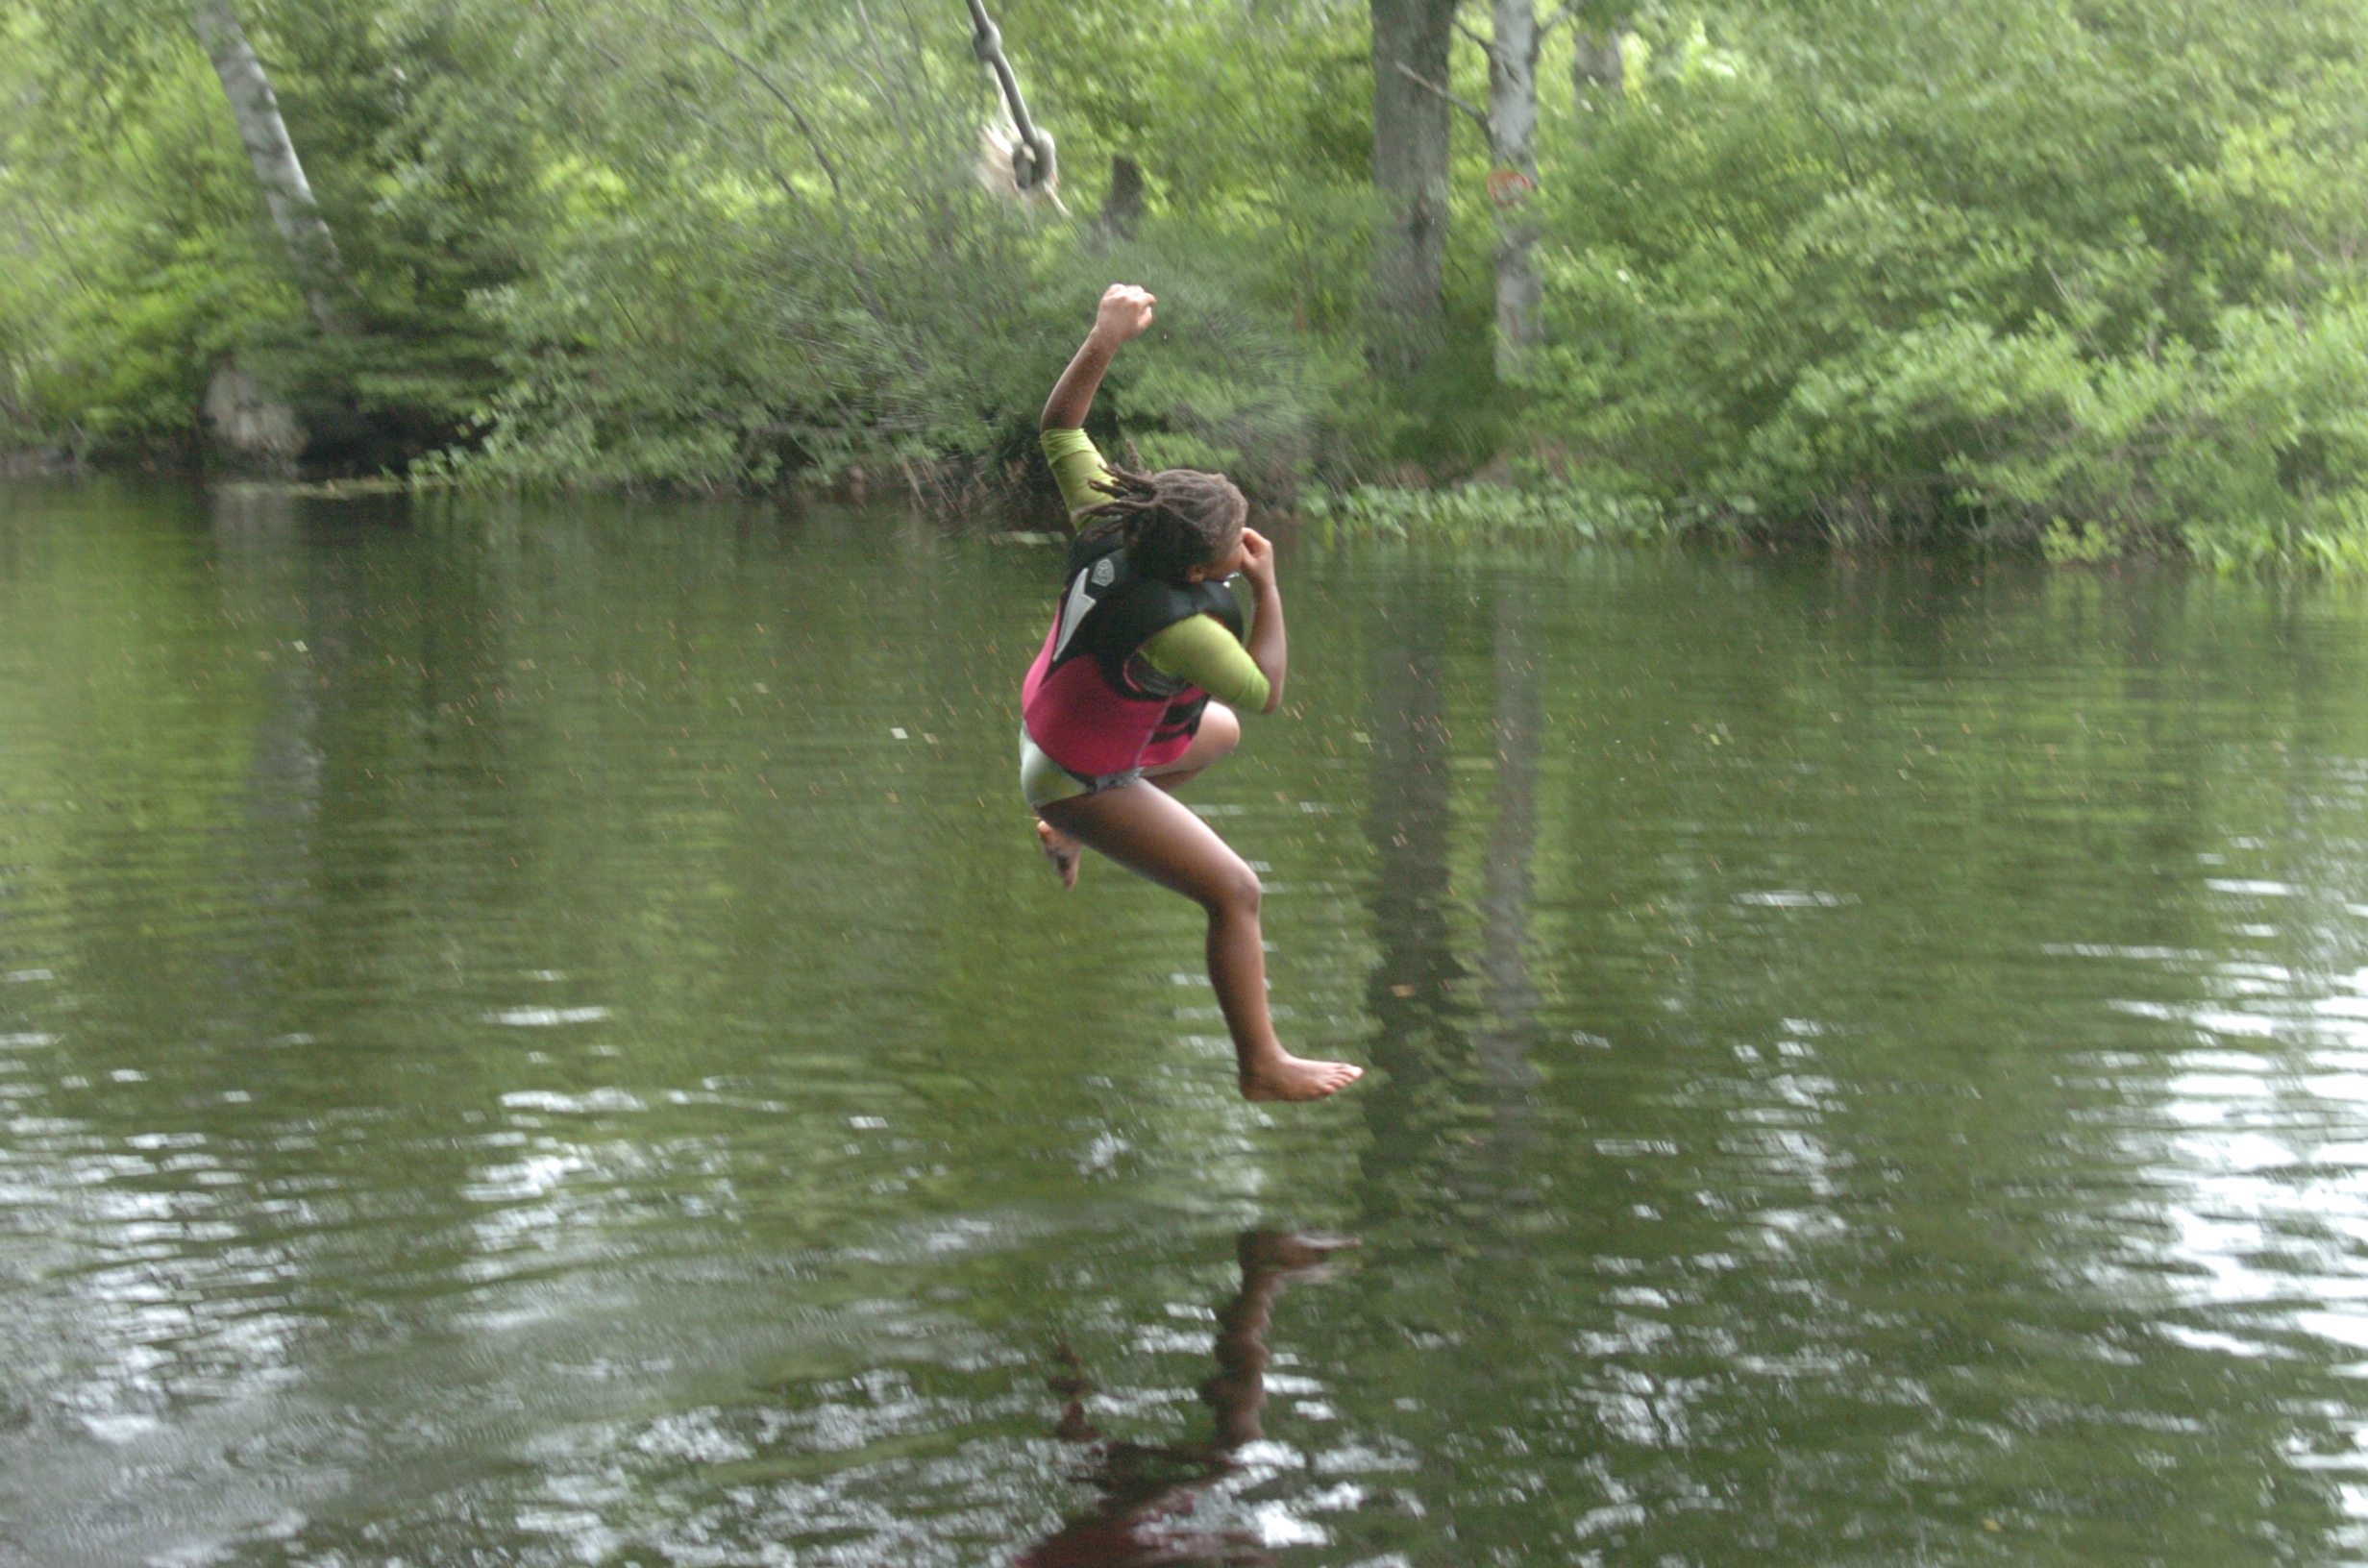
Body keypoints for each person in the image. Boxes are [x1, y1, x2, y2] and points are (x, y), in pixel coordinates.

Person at [1021, 283, 1362, 1103]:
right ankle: (1261, 1066)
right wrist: (1268, 587)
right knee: (1236, 892)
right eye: (1231, 551)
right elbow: (1266, 689)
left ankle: (1069, 833)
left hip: (1051, 728)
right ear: (1202, 570)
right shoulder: (1186, 630)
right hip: (1072, 774)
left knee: (1218, 732)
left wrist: (1104, 336)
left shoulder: (1110, 519)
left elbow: (1060, 426)